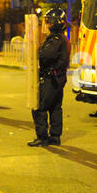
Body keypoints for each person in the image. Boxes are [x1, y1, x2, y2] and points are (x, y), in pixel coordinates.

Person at [28, 8, 69, 147]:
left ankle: (42, 137)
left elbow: (45, 55)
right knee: (55, 107)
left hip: (51, 78)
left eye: (50, 21)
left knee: (39, 106)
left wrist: (38, 50)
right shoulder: (60, 38)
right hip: (57, 77)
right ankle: (55, 136)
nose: (48, 24)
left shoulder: (57, 39)